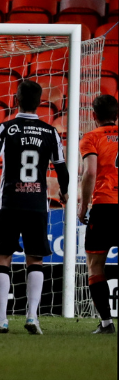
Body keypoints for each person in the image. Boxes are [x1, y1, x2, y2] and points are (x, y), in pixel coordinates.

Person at [0, 80, 70, 335]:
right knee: (35, 259)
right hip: (38, 204)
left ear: (16, 100)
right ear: (39, 103)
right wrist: (65, 190)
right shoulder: (51, 132)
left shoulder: (6, 128)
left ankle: (1, 318)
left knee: (2, 258)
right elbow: (61, 167)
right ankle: (32, 317)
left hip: (10, 203)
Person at [78, 94, 117, 334]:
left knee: (95, 265)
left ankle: (106, 323)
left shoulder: (91, 137)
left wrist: (84, 205)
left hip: (104, 206)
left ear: (94, 116)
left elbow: (90, 172)